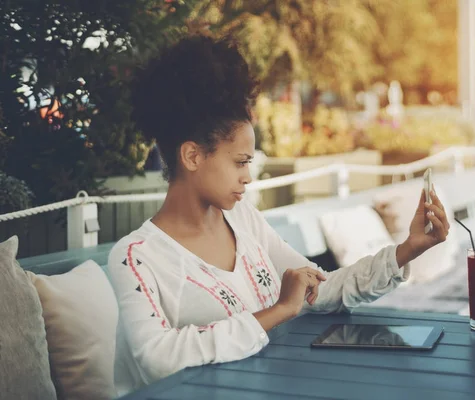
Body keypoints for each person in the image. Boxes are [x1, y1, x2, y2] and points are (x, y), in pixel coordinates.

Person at [107, 35, 450, 395]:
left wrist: (408, 249)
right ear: (192, 156)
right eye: (240, 162)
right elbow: (157, 357)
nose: (248, 176)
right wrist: (281, 309)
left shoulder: (243, 219)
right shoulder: (137, 257)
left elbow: (320, 289)